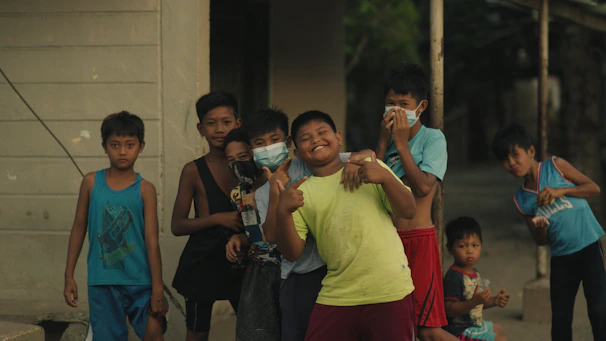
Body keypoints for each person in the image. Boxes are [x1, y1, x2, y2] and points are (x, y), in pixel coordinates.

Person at [276, 110, 417, 341]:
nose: (316, 140)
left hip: (389, 289)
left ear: (338, 137)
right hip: (337, 294)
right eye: (305, 138)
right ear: (297, 153)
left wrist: (385, 177)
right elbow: (292, 253)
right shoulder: (300, 192)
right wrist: (282, 212)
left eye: (322, 132)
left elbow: (409, 211)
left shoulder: (371, 167)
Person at [243, 107, 363, 341]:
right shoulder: (261, 193)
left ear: (288, 143)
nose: (268, 147)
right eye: (260, 143)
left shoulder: (307, 163)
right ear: (251, 150)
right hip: (299, 276)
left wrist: (355, 162)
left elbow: (362, 156)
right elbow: (271, 236)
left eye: (274, 140)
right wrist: (277, 192)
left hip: (335, 268)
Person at [492, 124, 606, 341]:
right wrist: (540, 228)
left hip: (589, 247)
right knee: (561, 320)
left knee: (599, 311)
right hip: (561, 258)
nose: (512, 163)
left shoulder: (556, 166)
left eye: (516, 155)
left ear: (531, 152)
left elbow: (593, 188)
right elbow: (540, 241)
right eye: (505, 160)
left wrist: (561, 190)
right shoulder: (521, 199)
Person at [63, 111, 168, 340]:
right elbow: (79, 228)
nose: (122, 151)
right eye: (115, 145)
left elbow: (152, 241)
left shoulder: (145, 189)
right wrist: (69, 275)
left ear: (141, 146)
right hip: (103, 282)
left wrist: (157, 287)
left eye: (129, 145)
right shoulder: (91, 182)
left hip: (141, 281)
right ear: (104, 146)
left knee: (154, 333)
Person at [375, 62, 452, 341]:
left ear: (420, 107)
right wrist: (384, 144)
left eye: (403, 103)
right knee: (394, 326)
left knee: (428, 329)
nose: (395, 110)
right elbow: (372, 189)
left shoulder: (433, 139)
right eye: (389, 103)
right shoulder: (386, 142)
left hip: (418, 240)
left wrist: (403, 143)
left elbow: (422, 187)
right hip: (387, 241)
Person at [171, 92, 245, 341]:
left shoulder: (250, 165)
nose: (219, 129)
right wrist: (218, 219)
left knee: (253, 328)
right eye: (211, 123)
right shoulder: (193, 170)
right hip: (201, 262)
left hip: (242, 261)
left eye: (226, 122)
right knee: (197, 331)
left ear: (238, 124)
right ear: (200, 128)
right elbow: (178, 225)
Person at [223, 127, 281, 341]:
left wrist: (264, 197)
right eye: (231, 160)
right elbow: (256, 234)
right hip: (257, 274)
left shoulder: (279, 182)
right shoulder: (237, 194)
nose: (237, 164)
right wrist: (239, 238)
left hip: (286, 269)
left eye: (243, 157)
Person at [443, 216, 509, 341]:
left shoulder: (474, 273)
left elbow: (478, 304)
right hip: (460, 330)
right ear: (450, 249)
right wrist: (473, 302)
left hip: (473, 324)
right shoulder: (454, 277)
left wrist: (494, 300)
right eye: (462, 246)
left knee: (498, 328)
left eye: (475, 245)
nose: (470, 251)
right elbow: (449, 309)